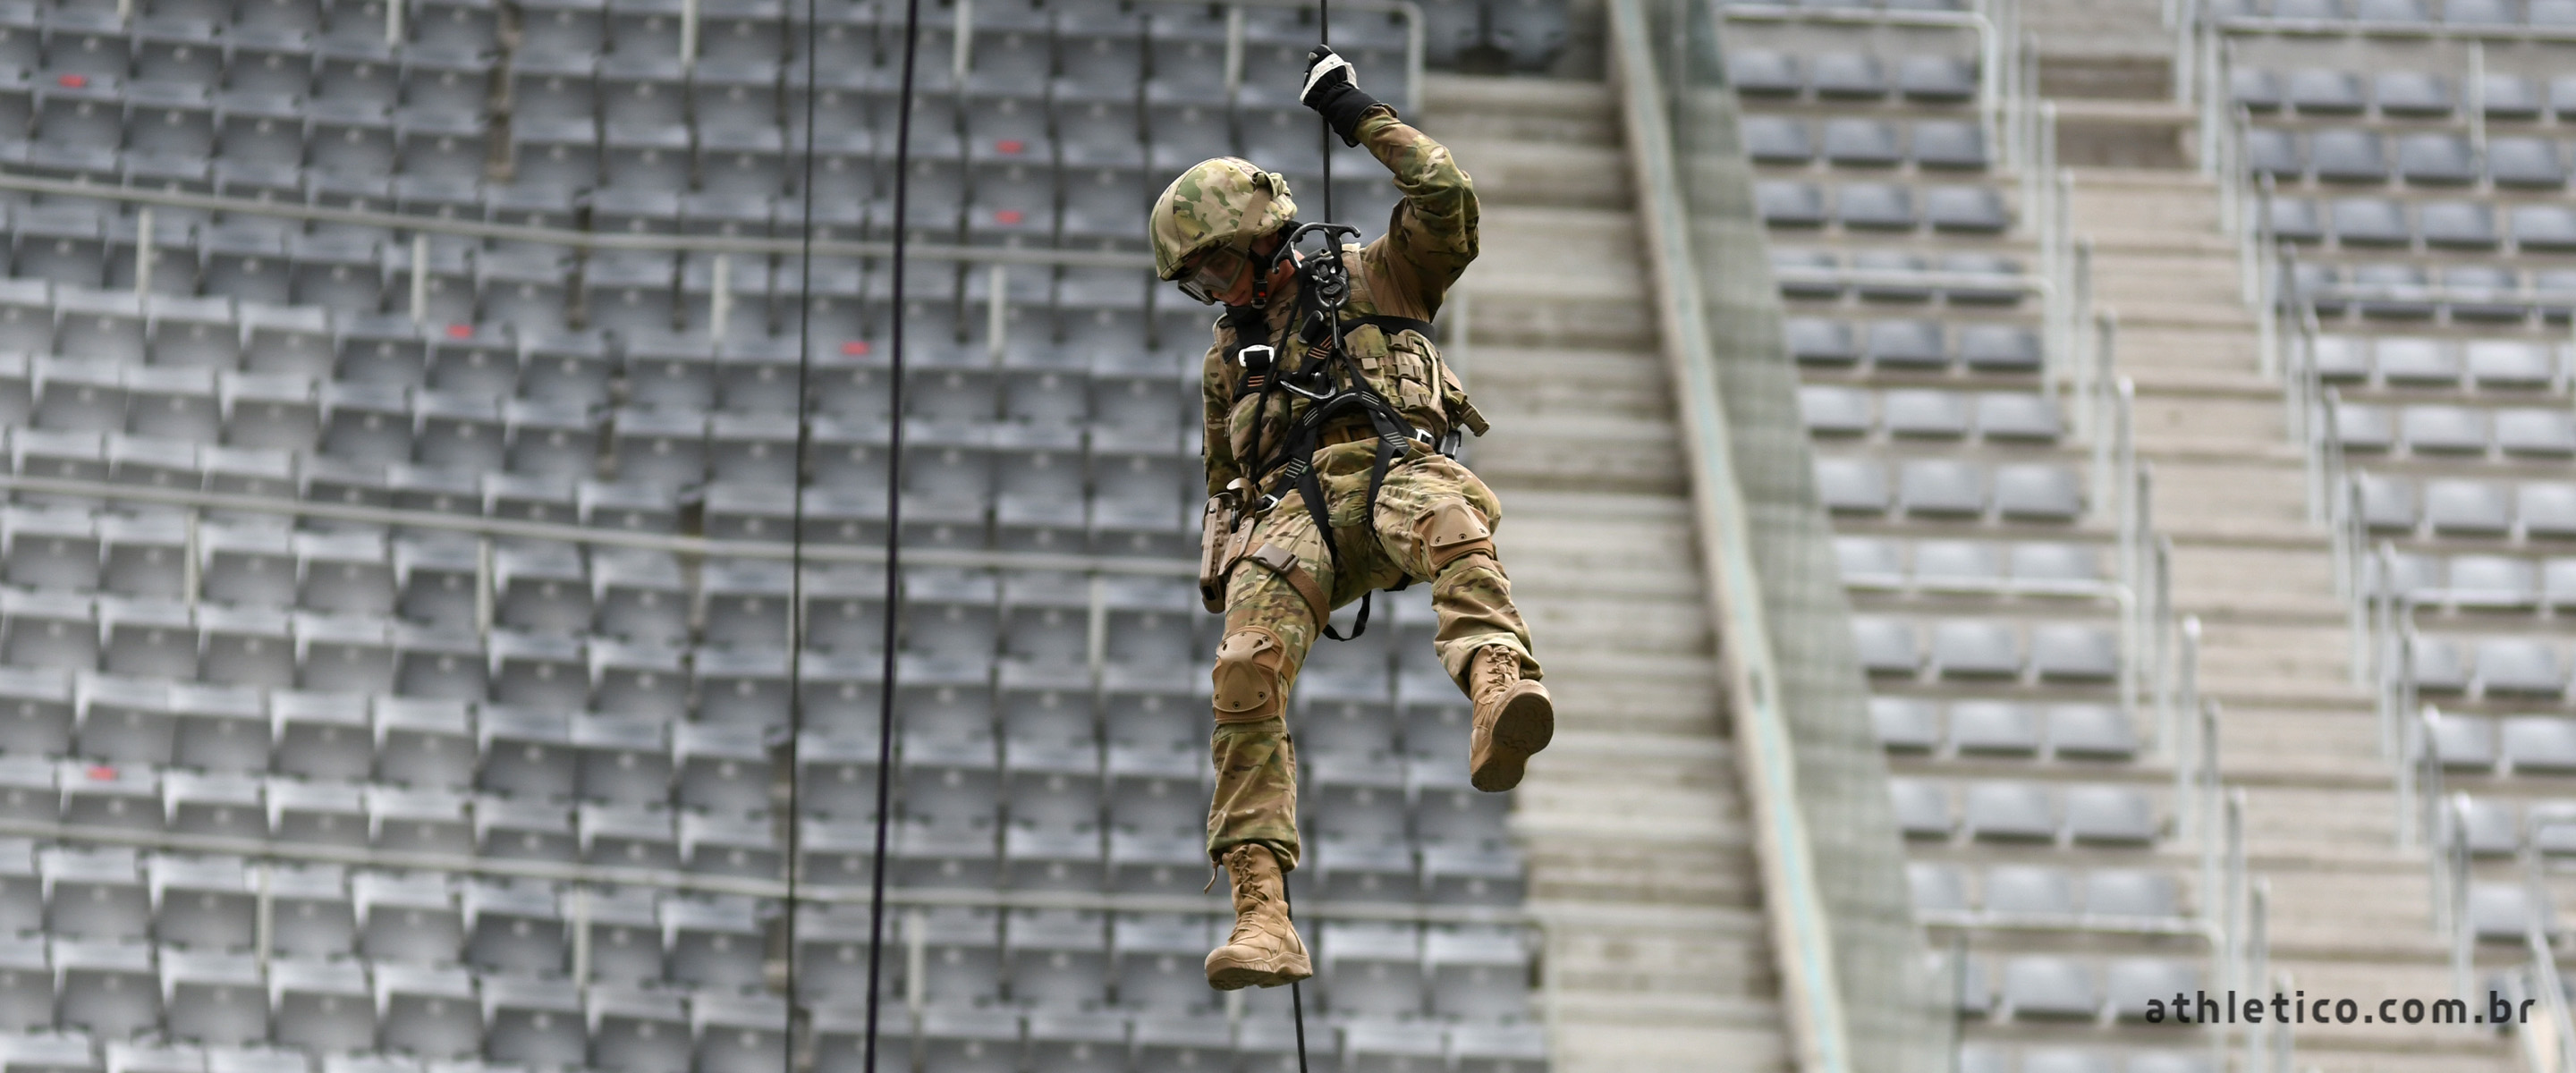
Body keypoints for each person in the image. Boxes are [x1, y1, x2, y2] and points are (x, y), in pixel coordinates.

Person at [1147, 44, 1553, 992]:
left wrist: (1353, 110)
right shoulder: (1227, 361)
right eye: (1200, 286)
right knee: (1244, 670)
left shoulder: (1378, 275)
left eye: (1217, 270)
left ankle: (1498, 685)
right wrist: (1226, 562)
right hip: (1297, 514)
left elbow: (1447, 196)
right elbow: (1223, 475)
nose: (1218, 297)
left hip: (1395, 469)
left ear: (1256, 234)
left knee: (1454, 521)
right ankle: (1262, 911)